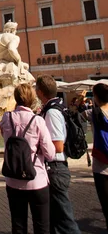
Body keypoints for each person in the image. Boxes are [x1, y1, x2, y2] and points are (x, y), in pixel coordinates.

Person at [0, 83, 55, 234]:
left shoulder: (6, 118)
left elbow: (3, 136)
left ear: (16, 98)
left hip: (13, 180)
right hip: (36, 180)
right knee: (42, 226)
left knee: (18, 226)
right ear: (32, 99)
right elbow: (50, 154)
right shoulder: (37, 121)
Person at [36, 75, 80, 234]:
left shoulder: (52, 112)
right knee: (55, 220)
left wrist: (38, 148)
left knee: (66, 221)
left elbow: (58, 146)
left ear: (40, 92)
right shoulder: (52, 108)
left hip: (56, 168)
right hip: (54, 169)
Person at [81, 82, 108, 229]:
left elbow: (76, 116)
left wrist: (80, 101)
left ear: (96, 97)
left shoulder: (92, 113)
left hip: (101, 164)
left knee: (106, 203)